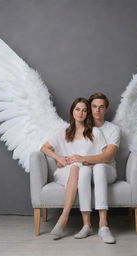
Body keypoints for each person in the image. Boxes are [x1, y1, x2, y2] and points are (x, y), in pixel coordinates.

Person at [40, 97, 107, 240]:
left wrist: (85, 161)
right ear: (72, 111)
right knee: (75, 168)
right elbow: (44, 148)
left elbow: (105, 155)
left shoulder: (95, 132)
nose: (80, 113)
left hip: (87, 171)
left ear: (87, 113)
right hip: (66, 171)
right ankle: (64, 218)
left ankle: (64, 219)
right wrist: (59, 158)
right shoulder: (63, 132)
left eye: (84, 110)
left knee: (77, 168)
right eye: (77, 109)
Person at [68, 93, 120, 244]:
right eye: (94, 107)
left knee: (99, 168)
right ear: (90, 108)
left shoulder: (113, 129)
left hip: (107, 170)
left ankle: (103, 226)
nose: (97, 110)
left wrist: (83, 159)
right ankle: (86, 225)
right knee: (84, 170)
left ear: (106, 109)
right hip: (85, 168)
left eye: (101, 107)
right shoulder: (82, 127)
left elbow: (107, 157)